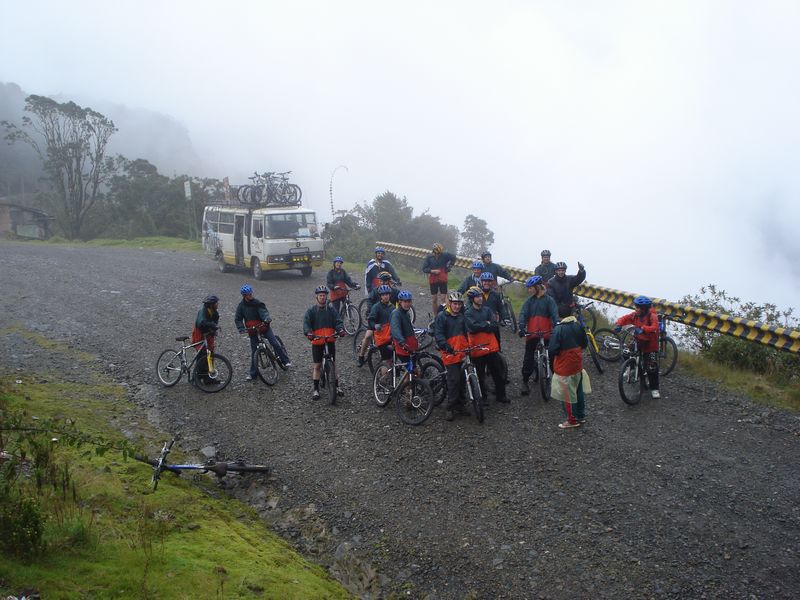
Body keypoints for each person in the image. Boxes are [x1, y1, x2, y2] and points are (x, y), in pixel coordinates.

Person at [235, 283, 292, 381]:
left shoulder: (257, 303)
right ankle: (253, 374)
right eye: (248, 294)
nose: (251, 295)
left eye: (251, 293)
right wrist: (241, 328)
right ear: (244, 296)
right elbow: (238, 318)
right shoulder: (241, 306)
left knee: (274, 342)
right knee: (254, 352)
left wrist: (266, 319)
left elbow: (264, 312)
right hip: (252, 330)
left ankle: (285, 360)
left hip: (263, 327)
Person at [464, 286, 508, 404]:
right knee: (480, 375)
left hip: (490, 347)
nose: (480, 298)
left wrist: (482, 325)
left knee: (497, 373)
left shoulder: (487, 310)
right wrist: (486, 324)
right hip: (477, 348)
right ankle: (483, 397)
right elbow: (472, 327)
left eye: (480, 296)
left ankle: (501, 395)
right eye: (477, 297)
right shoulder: (468, 313)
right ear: (472, 299)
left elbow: (494, 325)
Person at [549, 304, 591, 428]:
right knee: (578, 391)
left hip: (564, 367)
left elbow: (552, 349)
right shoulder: (578, 326)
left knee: (566, 394)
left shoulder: (559, 329)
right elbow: (584, 343)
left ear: (559, 315)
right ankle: (581, 416)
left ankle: (572, 420)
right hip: (577, 365)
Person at [303, 285, 346, 400]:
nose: (322, 297)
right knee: (317, 365)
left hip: (329, 339)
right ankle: (316, 389)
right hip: (317, 341)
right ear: (316, 297)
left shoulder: (331, 310)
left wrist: (340, 329)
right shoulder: (311, 311)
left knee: (334, 363)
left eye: (324, 295)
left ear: (327, 297)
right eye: (320, 295)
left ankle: (337, 386)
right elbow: (306, 323)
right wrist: (308, 332)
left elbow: (338, 321)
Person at [517, 275, 558, 396]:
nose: (528, 290)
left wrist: (558, 325)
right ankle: (525, 381)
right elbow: (523, 315)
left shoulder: (549, 300)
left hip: (547, 333)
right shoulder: (529, 301)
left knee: (553, 355)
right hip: (532, 334)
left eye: (530, 288)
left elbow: (555, 314)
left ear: (537, 287)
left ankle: (557, 379)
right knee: (528, 357)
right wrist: (521, 327)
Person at [615, 295, 661, 399]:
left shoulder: (652, 316)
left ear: (645, 309)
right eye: (636, 307)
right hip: (639, 341)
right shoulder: (635, 315)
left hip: (650, 344)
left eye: (639, 308)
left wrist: (643, 329)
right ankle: (630, 368)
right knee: (626, 352)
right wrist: (619, 324)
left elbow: (655, 327)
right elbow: (624, 318)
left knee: (651, 367)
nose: (637, 309)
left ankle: (654, 389)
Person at [434, 291, 470, 421]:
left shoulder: (462, 317)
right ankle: (450, 407)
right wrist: (445, 345)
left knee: (462, 380)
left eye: (459, 304)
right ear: (450, 303)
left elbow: (467, 333)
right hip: (449, 353)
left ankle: (461, 405)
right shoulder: (442, 317)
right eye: (455, 304)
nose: (457, 306)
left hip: (461, 352)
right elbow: (439, 334)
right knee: (454, 380)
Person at [357, 284, 394, 367]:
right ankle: (361, 355)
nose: (385, 296)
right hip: (375, 321)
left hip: (385, 328)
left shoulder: (392, 307)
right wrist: (374, 325)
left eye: (387, 294)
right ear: (380, 296)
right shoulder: (376, 304)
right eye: (383, 295)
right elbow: (370, 320)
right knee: (367, 336)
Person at [478, 272, 511, 350]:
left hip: (493, 323)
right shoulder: (476, 294)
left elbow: (501, 308)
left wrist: (505, 318)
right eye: (485, 281)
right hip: (480, 323)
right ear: (481, 282)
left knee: (497, 345)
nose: (487, 283)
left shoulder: (496, 295)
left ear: (492, 282)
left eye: (489, 281)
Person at [422, 242, 456, 315]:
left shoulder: (445, 255)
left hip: (442, 278)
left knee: (443, 298)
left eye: (439, 254)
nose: (438, 255)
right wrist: (432, 271)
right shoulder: (429, 257)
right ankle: (436, 316)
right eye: (436, 254)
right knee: (434, 299)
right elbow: (424, 269)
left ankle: (446, 314)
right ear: (433, 252)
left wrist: (449, 267)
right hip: (433, 280)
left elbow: (454, 257)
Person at [192, 294, 220, 383]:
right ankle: (197, 378)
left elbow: (215, 322)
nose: (217, 304)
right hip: (200, 334)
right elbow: (201, 323)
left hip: (208, 334)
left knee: (210, 354)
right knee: (202, 355)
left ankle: (208, 378)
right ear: (211, 304)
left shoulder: (215, 312)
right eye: (216, 303)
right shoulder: (203, 312)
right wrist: (212, 325)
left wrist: (214, 329)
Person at [390, 290, 419, 358]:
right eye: (405, 302)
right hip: (402, 345)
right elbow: (395, 329)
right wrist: (401, 341)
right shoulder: (396, 314)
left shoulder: (406, 313)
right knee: (408, 365)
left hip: (409, 343)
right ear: (400, 302)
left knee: (413, 365)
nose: (407, 304)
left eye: (409, 301)